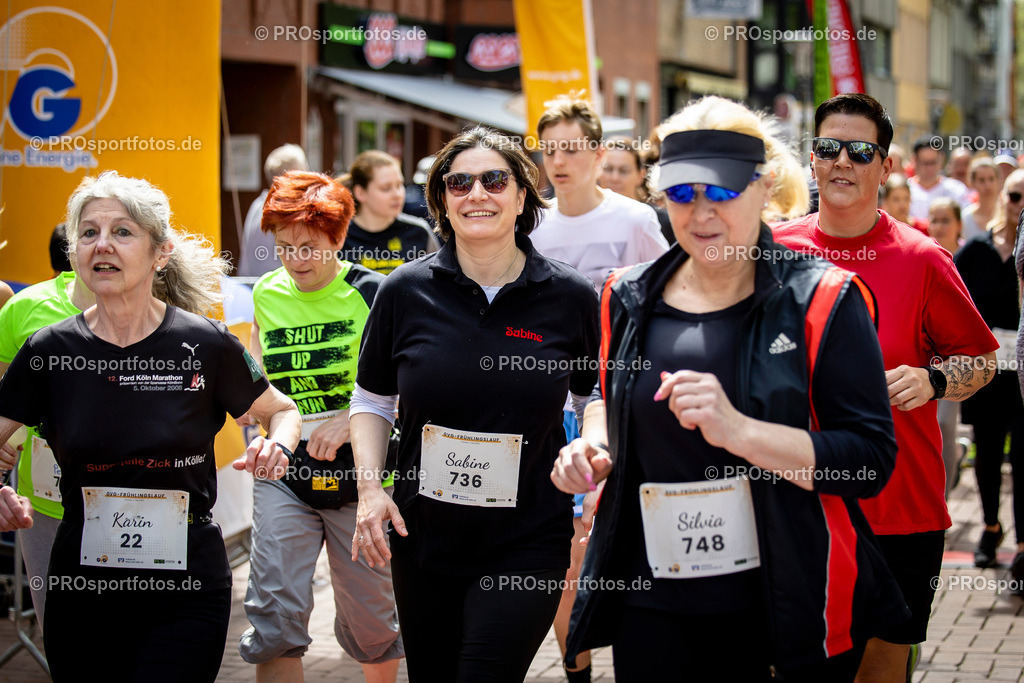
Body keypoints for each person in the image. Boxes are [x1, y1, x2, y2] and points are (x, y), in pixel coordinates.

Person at [553, 95, 907, 681]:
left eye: (720, 191)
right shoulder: (626, 294)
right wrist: (593, 448)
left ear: (764, 187)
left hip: (780, 599)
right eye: (680, 192)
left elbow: (868, 463)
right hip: (651, 596)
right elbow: (605, 405)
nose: (699, 212)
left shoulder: (823, 299)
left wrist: (741, 431)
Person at [0, 171, 301, 682]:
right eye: (89, 232)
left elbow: (281, 409)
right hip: (82, 579)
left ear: (160, 252)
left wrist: (279, 446)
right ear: (75, 252)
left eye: (122, 232)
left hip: (186, 581)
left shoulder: (203, 343)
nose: (103, 245)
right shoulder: (49, 350)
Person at [349, 126, 600, 682]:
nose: (476, 194)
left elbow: (592, 394)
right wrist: (371, 489)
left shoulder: (569, 295)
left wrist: (593, 447)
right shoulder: (403, 291)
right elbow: (371, 397)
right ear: (440, 200)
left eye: (493, 180)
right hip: (424, 537)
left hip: (529, 536)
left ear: (521, 196)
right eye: (458, 182)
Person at [773, 93, 998, 682]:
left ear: (884, 165)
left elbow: (982, 360)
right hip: (799, 507)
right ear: (813, 160)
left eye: (859, 150)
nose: (841, 161)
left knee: (879, 674)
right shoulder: (772, 253)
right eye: (827, 148)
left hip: (900, 512)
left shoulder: (924, 259)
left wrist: (935, 378)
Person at [237, 170, 403, 682]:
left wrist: (349, 423)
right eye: (284, 247)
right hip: (285, 470)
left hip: (363, 473)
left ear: (339, 237)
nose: (296, 260)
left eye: (309, 247)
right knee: (274, 614)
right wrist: (254, 412)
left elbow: (408, 383)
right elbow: (263, 374)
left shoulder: (374, 292)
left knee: (373, 621)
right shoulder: (265, 293)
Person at [0, 232, 95, 629]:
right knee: (62, 636)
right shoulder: (24, 307)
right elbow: (6, 387)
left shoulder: (163, 311)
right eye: (89, 234)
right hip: (44, 505)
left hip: (133, 504)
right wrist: (9, 439)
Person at [954, 168, 1024, 570]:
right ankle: (991, 526)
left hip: (1023, 373)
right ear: (1003, 198)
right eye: (1015, 196)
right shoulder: (976, 249)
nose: (1020, 205)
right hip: (986, 371)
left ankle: (1023, 542)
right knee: (987, 455)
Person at [530, 94, 669, 291]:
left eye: (570, 149)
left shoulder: (638, 219)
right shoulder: (532, 225)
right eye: (550, 150)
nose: (558, 161)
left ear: (598, 155)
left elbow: (666, 289)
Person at [337, 150, 439, 275]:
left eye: (399, 185)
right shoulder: (340, 236)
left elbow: (438, 284)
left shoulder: (419, 232)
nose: (397, 195)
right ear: (360, 193)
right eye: (386, 188)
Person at [238, 143, 309, 277]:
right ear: (296, 174)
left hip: (252, 287)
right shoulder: (289, 209)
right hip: (276, 291)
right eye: (305, 168)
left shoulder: (258, 204)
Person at [599, 136, 674, 245]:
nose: (615, 178)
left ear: (640, 175)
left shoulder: (661, 221)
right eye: (608, 169)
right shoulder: (585, 218)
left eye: (624, 171)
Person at [908, 136, 971, 221]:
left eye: (933, 162)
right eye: (925, 163)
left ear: (941, 159)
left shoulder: (956, 189)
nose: (929, 168)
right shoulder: (905, 190)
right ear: (914, 161)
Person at [962, 157, 1001, 242]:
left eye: (991, 179)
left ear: (998, 181)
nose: (987, 185)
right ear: (972, 183)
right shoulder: (965, 217)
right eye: (981, 180)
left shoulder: (1006, 214)